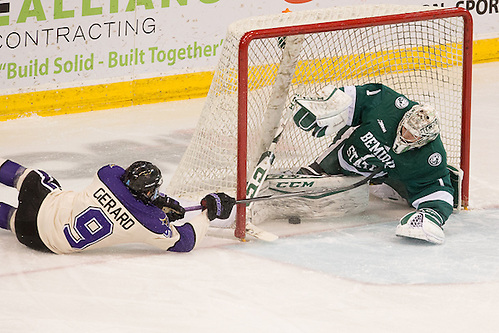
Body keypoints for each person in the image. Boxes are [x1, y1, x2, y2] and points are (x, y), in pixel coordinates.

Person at [291, 83, 455, 244]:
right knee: (341, 149)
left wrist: (433, 214)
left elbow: (437, 186)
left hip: (380, 176)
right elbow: (354, 98)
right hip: (346, 153)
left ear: (422, 141)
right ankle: (319, 168)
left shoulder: (431, 155)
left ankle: (387, 189)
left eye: (412, 135)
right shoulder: (389, 104)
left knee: (403, 184)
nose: (405, 135)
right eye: (405, 128)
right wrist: (327, 105)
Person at [0, 159, 236, 254]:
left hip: (43, 200)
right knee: (13, 219)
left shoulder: (107, 175)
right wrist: (208, 213)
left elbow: (124, 185)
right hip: (35, 238)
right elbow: (185, 241)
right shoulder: (150, 222)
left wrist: (154, 203)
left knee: (28, 177)